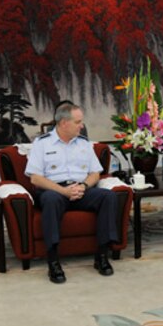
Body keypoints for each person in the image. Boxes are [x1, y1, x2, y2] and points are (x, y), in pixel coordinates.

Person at [25, 102, 119, 284]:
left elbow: (95, 173)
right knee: (51, 200)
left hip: (80, 189)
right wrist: (63, 191)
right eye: (78, 122)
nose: (81, 125)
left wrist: (84, 186)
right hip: (54, 190)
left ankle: (101, 256)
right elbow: (35, 178)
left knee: (108, 196)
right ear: (63, 123)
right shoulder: (42, 143)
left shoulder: (84, 144)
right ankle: (53, 262)